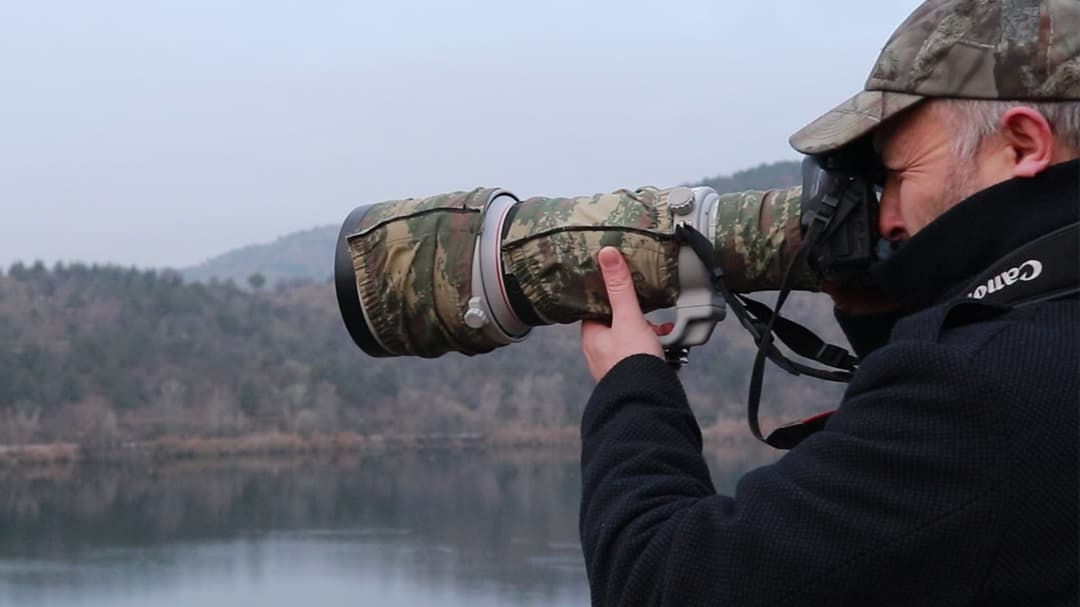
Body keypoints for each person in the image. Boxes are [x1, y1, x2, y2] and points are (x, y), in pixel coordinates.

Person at [578, 0, 1079, 605]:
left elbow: (661, 580)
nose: (887, 218)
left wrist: (631, 385)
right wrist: (887, 321)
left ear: (1023, 144)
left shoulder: (985, 388)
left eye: (898, 174)